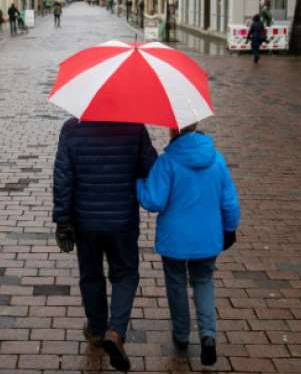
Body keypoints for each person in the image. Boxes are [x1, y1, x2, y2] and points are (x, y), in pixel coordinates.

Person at [53, 118, 158, 372]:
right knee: (126, 273)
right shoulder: (135, 128)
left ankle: (97, 329)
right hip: (122, 219)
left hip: (85, 220)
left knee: (91, 275)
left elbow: (63, 177)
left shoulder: (71, 128)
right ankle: (116, 330)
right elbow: (151, 169)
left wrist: (63, 219)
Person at [136, 124, 239, 366]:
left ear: (173, 130)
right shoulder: (216, 159)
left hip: (175, 239)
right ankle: (208, 336)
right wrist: (230, 228)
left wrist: (140, 183)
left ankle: (182, 335)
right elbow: (229, 200)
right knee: (204, 282)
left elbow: (154, 201)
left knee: (176, 284)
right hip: (208, 237)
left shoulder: (167, 162)